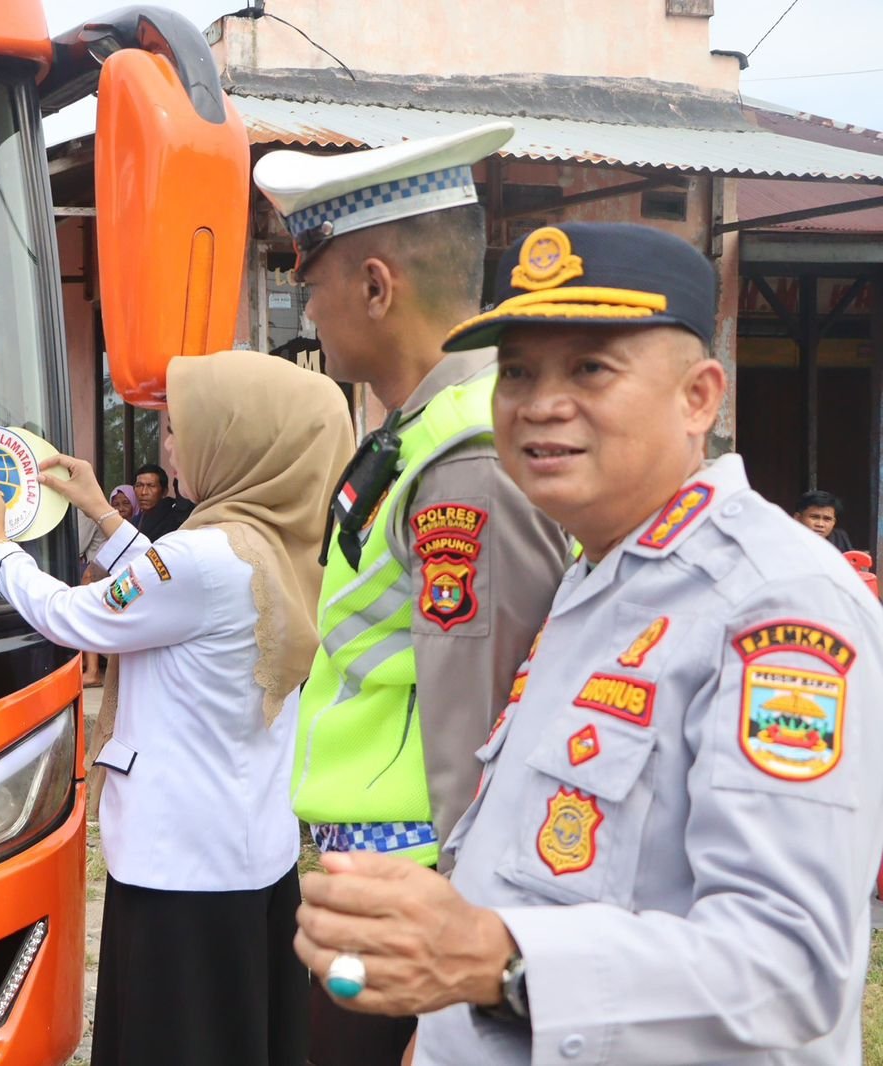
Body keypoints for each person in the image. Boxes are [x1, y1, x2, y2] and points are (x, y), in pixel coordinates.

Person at [293, 222, 883, 1065]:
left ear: (699, 398)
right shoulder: (600, 573)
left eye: (591, 368)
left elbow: (791, 969)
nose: (540, 404)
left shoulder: (776, 608)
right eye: (519, 372)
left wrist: (496, 963)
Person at [253, 123, 571, 1064]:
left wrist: (468, 948)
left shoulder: (464, 461)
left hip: (420, 891)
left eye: (310, 284)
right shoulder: (427, 433)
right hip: (383, 874)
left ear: (376, 287)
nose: (307, 313)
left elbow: (486, 721)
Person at [0, 350, 356, 1066]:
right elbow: (174, 589)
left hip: (180, 870)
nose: (168, 446)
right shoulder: (276, 540)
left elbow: (78, 616)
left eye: (180, 428)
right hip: (252, 853)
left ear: (241, 439)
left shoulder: (204, 557)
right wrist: (103, 512)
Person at [79, 486, 140, 686]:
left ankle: (93, 670)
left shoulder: (141, 526)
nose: (121, 509)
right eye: (116, 505)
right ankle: (92, 668)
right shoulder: (118, 533)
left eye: (126, 504)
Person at [131, 462, 190, 540]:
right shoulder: (135, 521)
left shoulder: (175, 517)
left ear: (164, 491)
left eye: (151, 486)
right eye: (139, 486)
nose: (143, 492)